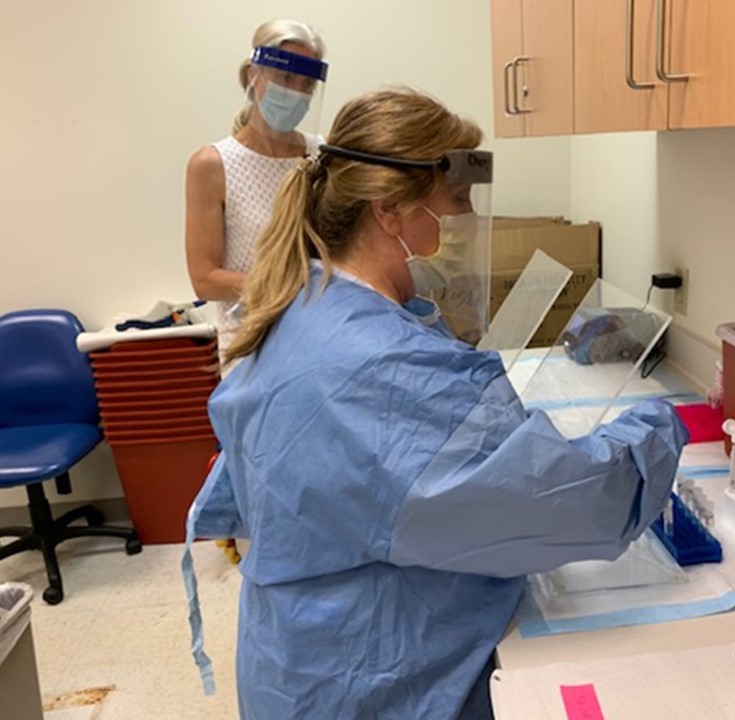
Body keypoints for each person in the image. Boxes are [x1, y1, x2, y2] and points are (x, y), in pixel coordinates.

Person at [184, 87, 689, 720]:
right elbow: (565, 506)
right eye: (457, 201)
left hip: (301, 657)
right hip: (369, 679)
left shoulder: (306, 299)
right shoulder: (381, 364)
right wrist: (660, 429)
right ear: (390, 210)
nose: (468, 219)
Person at [184, 19, 328, 374]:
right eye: (285, 78)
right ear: (254, 74)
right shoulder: (213, 165)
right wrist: (291, 285)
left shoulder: (322, 155)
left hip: (319, 338)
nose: (295, 92)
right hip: (252, 349)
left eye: (306, 84)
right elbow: (205, 278)